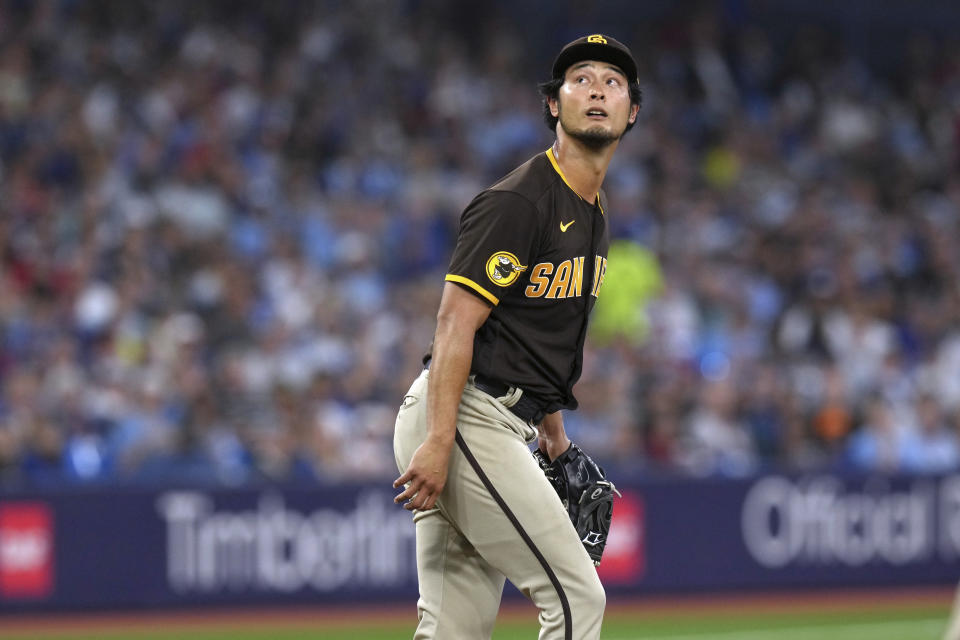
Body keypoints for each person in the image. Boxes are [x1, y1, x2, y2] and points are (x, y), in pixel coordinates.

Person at [392, 34, 641, 640]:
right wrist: (440, 440)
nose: (596, 90)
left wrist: (554, 437)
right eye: (580, 79)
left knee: (454, 629)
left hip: (491, 420)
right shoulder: (520, 200)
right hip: (465, 417)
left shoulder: (595, 211)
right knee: (579, 600)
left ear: (632, 111)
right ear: (553, 104)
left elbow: (542, 340)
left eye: (612, 82)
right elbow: (455, 324)